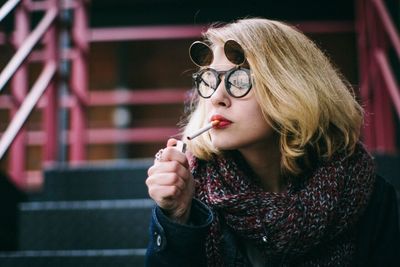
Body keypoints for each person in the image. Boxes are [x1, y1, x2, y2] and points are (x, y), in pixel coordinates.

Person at [145, 18, 400, 266]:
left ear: (290, 88)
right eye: (210, 80)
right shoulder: (193, 193)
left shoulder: (366, 192)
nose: (217, 97)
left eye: (239, 80)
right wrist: (177, 217)